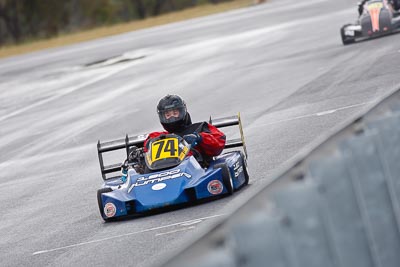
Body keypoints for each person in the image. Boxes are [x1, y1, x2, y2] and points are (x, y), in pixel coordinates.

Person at [144, 94, 226, 163]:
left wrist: (199, 138)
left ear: (182, 112)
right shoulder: (160, 137)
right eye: (168, 115)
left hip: (197, 171)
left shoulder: (200, 128)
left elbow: (219, 141)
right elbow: (146, 146)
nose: (172, 118)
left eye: (175, 113)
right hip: (167, 173)